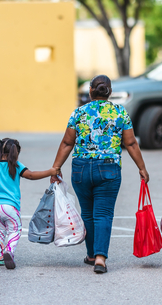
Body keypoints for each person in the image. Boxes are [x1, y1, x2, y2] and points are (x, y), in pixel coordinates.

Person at [51, 75, 149, 274]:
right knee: (103, 213)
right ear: (109, 92)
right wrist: (141, 167)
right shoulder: (119, 112)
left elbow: (67, 143)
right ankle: (100, 258)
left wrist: (56, 168)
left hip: (81, 168)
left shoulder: (78, 112)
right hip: (108, 168)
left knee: (87, 212)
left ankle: (90, 254)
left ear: (90, 91)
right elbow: (130, 143)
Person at [0, 138, 59, 270]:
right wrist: (50, 172)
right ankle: (9, 251)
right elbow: (31, 175)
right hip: (10, 207)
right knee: (15, 229)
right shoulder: (16, 165)